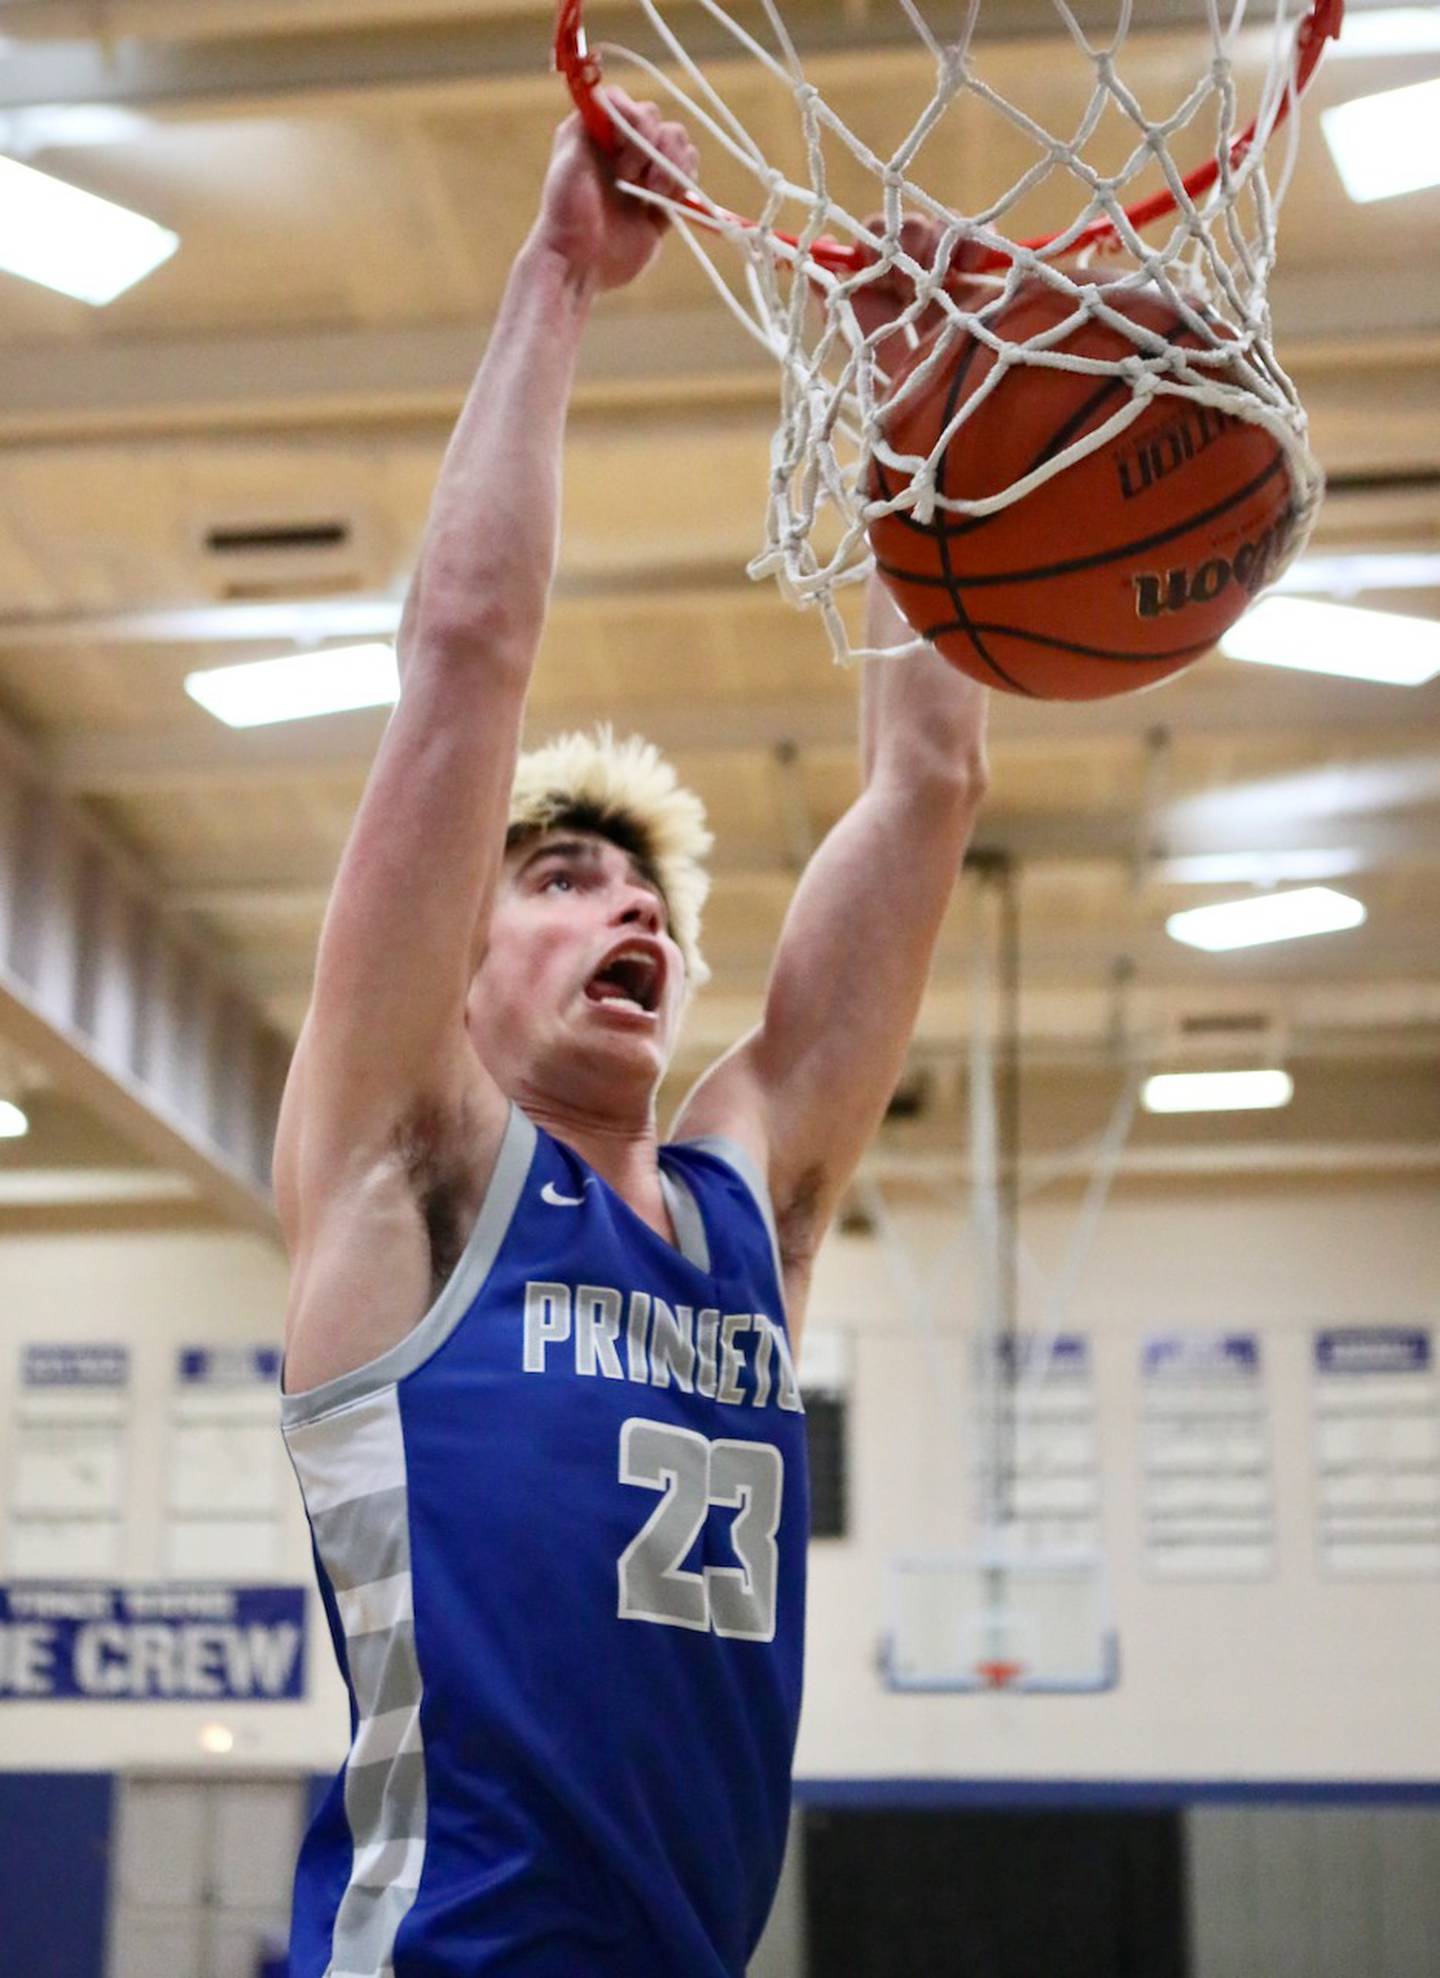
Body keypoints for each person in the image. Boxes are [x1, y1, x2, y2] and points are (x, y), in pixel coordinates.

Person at [274, 93, 989, 1978]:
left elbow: (930, 778)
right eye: (569, 876)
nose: (637, 915)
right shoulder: (407, 1165)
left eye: (655, 898)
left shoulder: (755, 1195)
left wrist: (902, 423)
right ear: (461, 954)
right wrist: (560, 281)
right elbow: (466, 660)